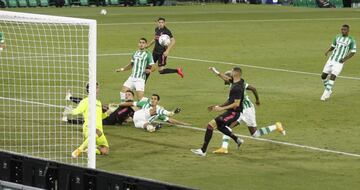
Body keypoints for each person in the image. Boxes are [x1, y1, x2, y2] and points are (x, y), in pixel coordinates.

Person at [208, 68, 286, 154]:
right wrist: (215, 71)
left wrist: (257, 100)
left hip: (248, 110)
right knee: (227, 127)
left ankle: (276, 126)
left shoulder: (238, 85)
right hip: (240, 111)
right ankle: (224, 148)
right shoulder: (233, 84)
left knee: (255, 134)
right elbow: (224, 79)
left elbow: (253, 88)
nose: (225, 80)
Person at [191, 67, 245, 157]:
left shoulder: (237, 88)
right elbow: (226, 78)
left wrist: (221, 108)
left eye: (232, 71)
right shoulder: (239, 81)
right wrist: (215, 71)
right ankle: (237, 140)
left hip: (233, 113)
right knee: (220, 127)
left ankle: (203, 151)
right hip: (231, 112)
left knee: (210, 125)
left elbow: (236, 104)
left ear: (235, 73)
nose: (230, 72)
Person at [62, 83, 110, 158]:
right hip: (89, 127)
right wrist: (69, 110)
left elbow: (100, 117)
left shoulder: (99, 103)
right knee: (98, 132)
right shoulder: (85, 101)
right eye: (96, 88)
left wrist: (107, 113)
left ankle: (90, 149)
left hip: (99, 130)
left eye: (98, 87)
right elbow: (76, 111)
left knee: (105, 150)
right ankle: (79, 150)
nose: (98, 89)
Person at [321, 24, 356, 101]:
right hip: (331, 59)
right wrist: (328, 50)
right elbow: (333, 46)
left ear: (348, 30)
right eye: (342, 29)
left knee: (333, 76)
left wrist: (344, 59)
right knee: (323, 76)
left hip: (339, 62)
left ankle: (325, 94)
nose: (343, 31)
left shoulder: (351, 40)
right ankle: (329, 90)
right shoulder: (337, 37)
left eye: (344, 30)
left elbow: (353, 52)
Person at [119, 94, 189, 132]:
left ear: (158, 101)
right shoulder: (144, 104)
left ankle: (154, 128)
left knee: (149, 127)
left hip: (139, 122)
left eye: (154, 99)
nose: (152, 100)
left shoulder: (158, 111)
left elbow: (170, 120)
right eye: (152, 98)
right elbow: (131, 103)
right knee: (156, 110)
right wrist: (121, 104)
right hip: (138, 114)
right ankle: (170, 112)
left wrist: (183, 123)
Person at [63, 90, 136, 126]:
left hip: (109, 119)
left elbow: (133, 113)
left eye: (129, 94)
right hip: (108, 112)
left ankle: (67, 120)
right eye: (126, 95)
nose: (127, 96)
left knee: (89, 121)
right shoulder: (125, 105)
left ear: (133, 96)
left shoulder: (131, 106)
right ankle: (70, 98)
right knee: (90, 102)